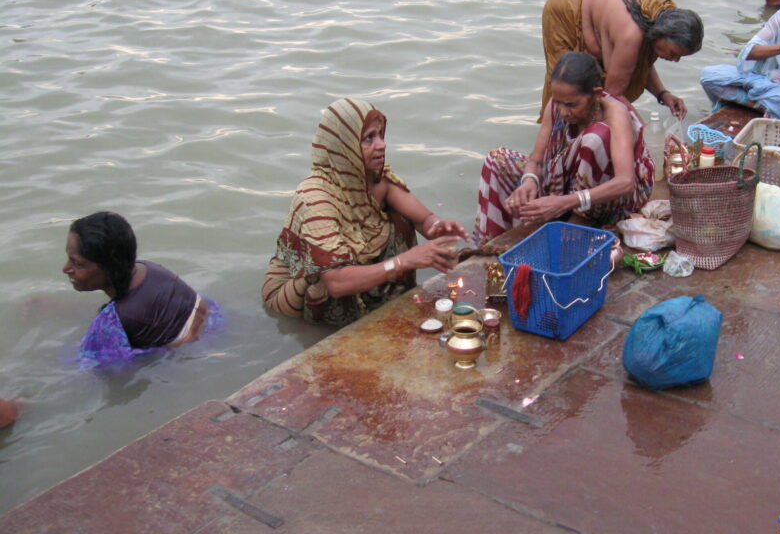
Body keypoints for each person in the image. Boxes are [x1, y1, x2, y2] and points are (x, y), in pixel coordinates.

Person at [262, 98, 468, 328]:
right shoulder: (314, 199)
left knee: (398, 218)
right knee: (325, 274)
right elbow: (336, 283)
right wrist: (404, 261)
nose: (381, 145)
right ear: (344, 145)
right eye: (369, 138)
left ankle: (383, 303)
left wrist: (439, 228)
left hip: (358, 275)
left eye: (381, 135)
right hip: (306, 289)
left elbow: (424, 220)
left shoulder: (376, 179)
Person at [475, 51, 654, 245]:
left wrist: (565, 202)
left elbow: (625, 182)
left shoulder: (615, 113)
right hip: (568, 184)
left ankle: (579, 222)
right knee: (496, 160)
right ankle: (491, 245)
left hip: (612, 197)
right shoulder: (556, 104)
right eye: (558, 102)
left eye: (571, 105)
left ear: (595, 94)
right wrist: (529, 181)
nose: (562, 111)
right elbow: (536, 160)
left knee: (594, 138)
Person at [65, 212, 217, 363]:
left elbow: (102, 367)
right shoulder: (148, 268)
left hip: (184, 357)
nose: (66, 269)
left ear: (110, 268)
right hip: (211, 324)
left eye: (77, 264)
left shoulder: (116, 320)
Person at [538, 0, 703, 120]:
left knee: (598, 108)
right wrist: (644, 134)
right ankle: (552, 150)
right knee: (569, 89)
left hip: (605, 16)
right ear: (662, 34)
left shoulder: (659, 16)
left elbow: (639, 64)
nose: (675, 60)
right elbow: (611, 97)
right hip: (566, 13)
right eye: (674, 54)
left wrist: (663, 94)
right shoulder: (631, 35)